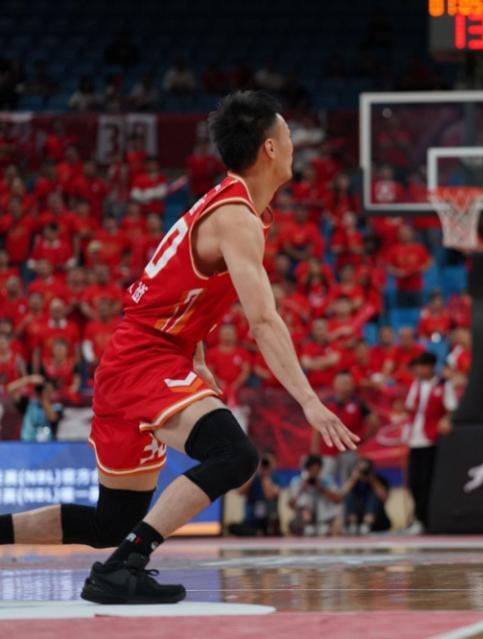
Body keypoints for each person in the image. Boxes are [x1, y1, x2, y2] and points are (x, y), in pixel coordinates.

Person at [0, 91, 358, 603]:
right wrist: (309, 401)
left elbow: (181, 286)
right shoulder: (236, 217)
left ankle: (100, 553)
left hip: (140, 354)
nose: (295, 144)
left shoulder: (228, 205)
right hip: (144, 358)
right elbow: (262, 320)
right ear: (270, 148)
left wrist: (197, 355)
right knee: (233, 454)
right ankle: (125, 566)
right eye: (288, 135)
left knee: (110, 520)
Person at [404, 351, 456, 533]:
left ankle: (425, 520)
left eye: (421, 366)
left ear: (430, 366)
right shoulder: (416, 384)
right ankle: (418, 518)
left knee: (427, 481)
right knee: (413, 481)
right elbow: (410, 408)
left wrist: (446, 419)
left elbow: (451, 408)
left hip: (431, 439)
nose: (418, 370)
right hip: (415, 438)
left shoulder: (444, 384)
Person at [287, 455, 343, 536]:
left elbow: (338, 500)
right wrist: (301, 489)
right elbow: (291, 505)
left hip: (325, 517)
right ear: (307, 469)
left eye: (317, 470)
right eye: (312, 470)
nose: (314, 473)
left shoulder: (326, 480)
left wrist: (321, 488)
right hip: (304, 517)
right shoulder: (297, 481)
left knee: (337, 525)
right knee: (295, 523)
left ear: (321, 469)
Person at [229, 452, 280, 536]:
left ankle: (260, 532)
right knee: (231, 527)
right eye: (263, 463)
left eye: (267, 463)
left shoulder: (275, 478)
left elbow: (270, 495)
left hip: (268, 520)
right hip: (251, 521)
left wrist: (265, 477)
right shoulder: (253, 478)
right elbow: (239, 492)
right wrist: (255, 473)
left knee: (273, 529)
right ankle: (256, 532)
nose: (265, 465)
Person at [342, 457, 392, 535]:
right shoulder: (352, 481)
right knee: (349, 494)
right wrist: (353, 479)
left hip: (376, 521)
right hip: (355, 519)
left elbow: (384, 498)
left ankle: (366, 525)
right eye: (360, 469)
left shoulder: (379, 480)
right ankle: (353, 525)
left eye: (365, 470)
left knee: (374, 495)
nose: (363, 473)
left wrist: (373, 481)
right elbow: (341, 496)